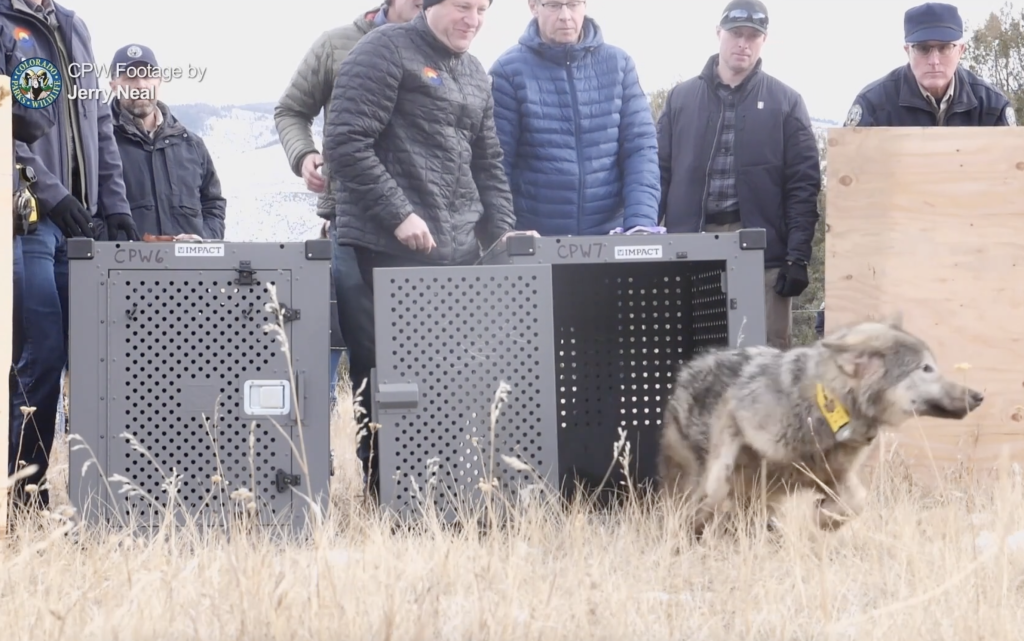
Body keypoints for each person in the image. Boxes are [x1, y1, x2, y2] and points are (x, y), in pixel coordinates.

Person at [323, 0, 525, 495]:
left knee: (448, 379)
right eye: (463, 7)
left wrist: (503, 235)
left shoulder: (476, 72)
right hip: (380, 249)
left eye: (482, 10)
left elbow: (489, 162)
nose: (473, 20)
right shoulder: (383, 51)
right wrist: (399, 214)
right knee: (385, 379)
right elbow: (344, 141)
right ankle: (382, 494)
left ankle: (439, 493)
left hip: (453, 256)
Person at [2, 0, 139, 511]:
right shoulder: (4, 25)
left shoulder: (74, 26)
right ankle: (21, 491)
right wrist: (48, 190)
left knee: (89, 356)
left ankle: (95, 495)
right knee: (41, 354)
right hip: (27, 221)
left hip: (80, 226)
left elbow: (99, 119)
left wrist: (117, 206)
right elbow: (3, 128)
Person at [273, 0, 421, 443]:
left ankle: (425, 474)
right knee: (367, 349)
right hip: (351, 221)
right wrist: (304, 155)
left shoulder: (443, 47)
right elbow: (290, 110)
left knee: (421, 349)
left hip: (425, 226)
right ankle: (376, 467)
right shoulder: (336, 44)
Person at [656, 0, 820, 351]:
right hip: (688, 242)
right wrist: (647, 236)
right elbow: (658, 174)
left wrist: (797, 257)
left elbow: (803, 186)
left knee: (768, 357)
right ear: (718, 34)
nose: (743, 43)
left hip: (763, 250)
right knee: (693, 354)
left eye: (752, 36)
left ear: (764, 42)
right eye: (735, 34)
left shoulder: (787, 102)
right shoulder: (681, 99)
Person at [489, 0, 660, 236]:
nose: (565, 15)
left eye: (573, 4)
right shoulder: (508, 71)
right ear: (533, 6)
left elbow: (640, 150)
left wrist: (640, 222)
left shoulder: (620, 65)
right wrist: (502, 232)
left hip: (611, 237)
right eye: (554, 5)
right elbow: (497, 163)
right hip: (536, 241)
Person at [109, 43, 226, 239]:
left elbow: (213, 205)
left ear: (159, 81)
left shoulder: (192, 146)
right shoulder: (99, 146)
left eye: (147, 75)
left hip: (191, 268)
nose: (141, 85)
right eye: (130, 77)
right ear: (113, 86)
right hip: (122, 267)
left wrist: (205, 241)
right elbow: (86, 208)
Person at [844, 3, 1014, 128]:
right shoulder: (873, 104)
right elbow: (848, 168)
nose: (934, 61)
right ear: (907, 51)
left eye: (945, 47)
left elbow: (1013, 169)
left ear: (961, 50)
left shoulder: (992, 106)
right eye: (922, 48)